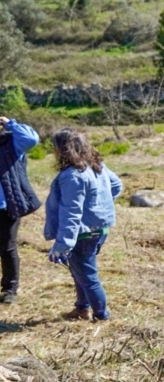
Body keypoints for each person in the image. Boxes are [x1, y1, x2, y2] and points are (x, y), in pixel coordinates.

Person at [44, 129, 123, 322]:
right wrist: (98, 207)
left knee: (87, 275)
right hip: (99, 229)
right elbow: (116, 185)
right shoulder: (98, 166)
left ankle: (102, 316)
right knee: (79, 270)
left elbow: (71, 213)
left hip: (83, 233)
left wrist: (61, 245)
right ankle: (82, 309)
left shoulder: (73, 176)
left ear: (63, 150)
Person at [0, 116, 41, 305]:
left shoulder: (11, 143)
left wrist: (11, 123)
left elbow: (32, 139)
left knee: (7, 248)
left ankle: (10, 289)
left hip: (7, 205)